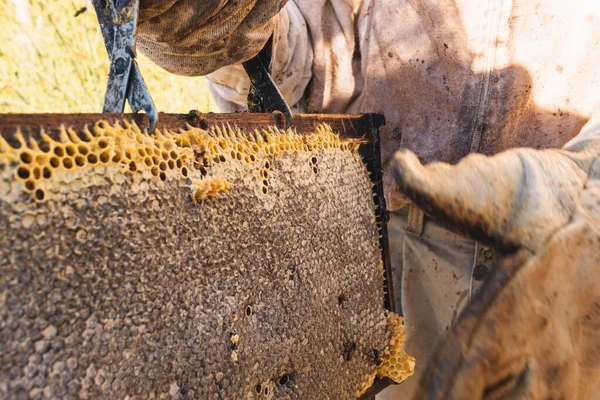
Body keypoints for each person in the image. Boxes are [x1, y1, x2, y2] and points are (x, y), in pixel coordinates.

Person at [135, 1, 600, 397]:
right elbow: (313, 60)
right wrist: (230, 29)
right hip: (382, 246)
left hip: (572, 253)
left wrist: (587, 185)